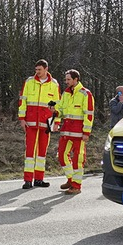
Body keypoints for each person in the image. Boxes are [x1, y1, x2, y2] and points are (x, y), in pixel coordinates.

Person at [17, 59, 59, 189]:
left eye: (39, 70)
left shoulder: (54, 84)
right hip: (31, 122)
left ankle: (39, 179)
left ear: (46, 69)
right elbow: (22, 101)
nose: (37, 72)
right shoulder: (29, 82)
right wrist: (22, 118)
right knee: (30, 152)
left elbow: (57, 105)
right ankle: (28, 180)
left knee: (42, 152)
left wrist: (56, 122)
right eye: (36, 70)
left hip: (46, 123)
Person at [56, 69, 94, 195]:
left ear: (76, 79)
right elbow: (61, 110)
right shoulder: (66, 93)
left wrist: (86, 133)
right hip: (66, 131)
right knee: (61, 156)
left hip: (79, 133)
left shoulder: (85, 94)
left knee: (78, 159)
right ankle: (71, 180)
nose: (66, 82)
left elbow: (89, 115)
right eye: (66, 79)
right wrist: (55, 112)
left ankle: (76, 186)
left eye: (68, 79)